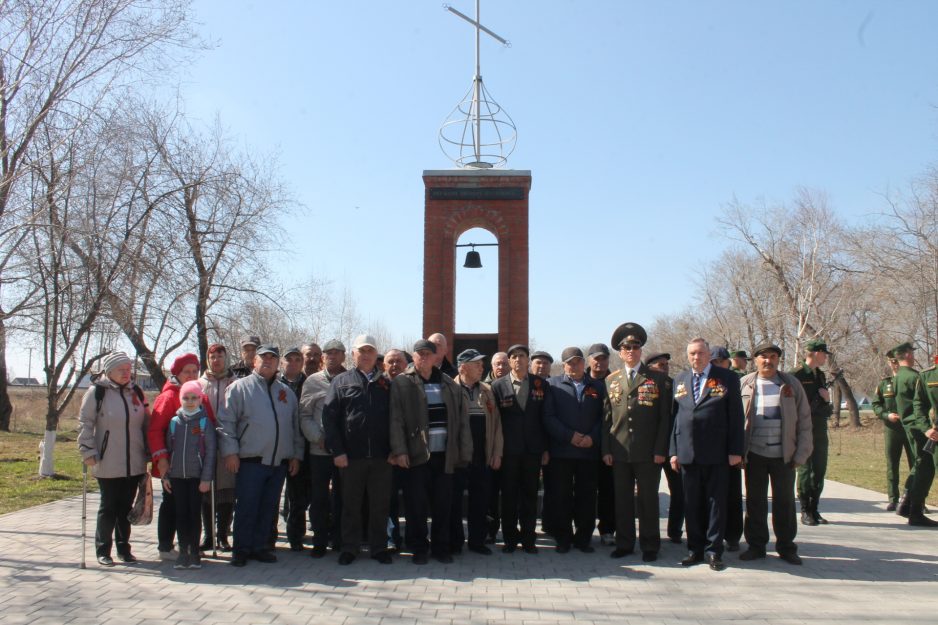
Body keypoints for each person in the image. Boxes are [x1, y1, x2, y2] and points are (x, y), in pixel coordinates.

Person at [220, 345, 303, 567]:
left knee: (269, 507)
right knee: (247, 507)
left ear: (278, 364)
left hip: (278, 462)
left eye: (272, 358)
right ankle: (241, 549)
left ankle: (260, 547)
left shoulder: (285, 393)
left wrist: (295, 455)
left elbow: (294, 427)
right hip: (250, 461)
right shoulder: (239, 388)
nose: (268, 361)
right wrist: (230, 452)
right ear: (254, 361)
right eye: (263, 357)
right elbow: (226, 423)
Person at [390, 339, 471, 564]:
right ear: (413, 357)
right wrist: (399, 450)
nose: (424, 357)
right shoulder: (402, 383)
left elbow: (461, 420)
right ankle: (418, 548)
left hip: (444, 456)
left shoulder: (449, 384)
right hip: (416, 455)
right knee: (416, 506)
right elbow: (395, 420)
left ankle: (440, 547)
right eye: (420, 354)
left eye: (428, 354)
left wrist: (462, 452)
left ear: (436, 357)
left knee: (443, 505)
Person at [670, 338, 744, 571]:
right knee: (691, 503)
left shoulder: (727, 378)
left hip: (717, 453)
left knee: (716, 504)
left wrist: (735, 451)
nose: (696, 357)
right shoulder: (680, 380)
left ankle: (714, 551)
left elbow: (736, 417)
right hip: (687, 453)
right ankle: (695, 549)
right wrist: (673, 451)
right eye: (692, 353)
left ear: (709, 354)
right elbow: (675, 418)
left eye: (700, 353)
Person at [322, 335, 395, 565]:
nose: (365, 355)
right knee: (350, 504)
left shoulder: (386, 384)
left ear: (376, 356)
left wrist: (395, 449)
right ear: (353, 354)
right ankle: (350, 547)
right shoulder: (341, 381)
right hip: (351, 457)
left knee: (380, 505)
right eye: (361, 351)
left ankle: (379, 547)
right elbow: (329, 418)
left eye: (370, 351)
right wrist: (338, 451)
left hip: (382, 457)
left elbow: (396, 419)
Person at [738, 343, 813, 565]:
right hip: (754, 455)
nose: (768, 361)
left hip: (784, 455)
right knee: (755, 502)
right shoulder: (745, 384)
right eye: (763, 357)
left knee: (785, 503)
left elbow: (805, 421)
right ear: (755, 360)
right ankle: (756, 546)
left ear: (778, 360)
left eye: (773, 357)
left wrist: (801, 454)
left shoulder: (791, 384)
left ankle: (787, 547)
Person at [601, 325, 670, 562]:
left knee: (648, 500)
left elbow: (664, 419)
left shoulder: (658, 379)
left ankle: (650, 546)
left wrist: (661, 449)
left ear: (641, 350)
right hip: (619, 451)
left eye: (635, 347)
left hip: (648, 453)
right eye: (626, 348)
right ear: (620, 353)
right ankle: (625, 543)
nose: (631, 351)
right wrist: (606, 449)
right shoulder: (611, 380)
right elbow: (607, 419)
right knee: (622, 501)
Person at [77, 352, 150, 566]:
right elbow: (85, 423)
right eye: (121, 369)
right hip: (107, 460)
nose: (126, 373)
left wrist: (149, 450)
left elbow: (146, 422)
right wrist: (87, 450)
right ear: (109, 371)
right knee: (108, 505)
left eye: (128, 369)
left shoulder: (135, 391)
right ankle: (103, 550)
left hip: (134, 461)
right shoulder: (97, 392)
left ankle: (124, 549)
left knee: (126, 508)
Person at [490, 344, 552, 554]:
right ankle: (509, 539)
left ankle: (528, 539)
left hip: (533, 451)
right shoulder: (498, 386)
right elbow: (495, 422)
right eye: (514, 357)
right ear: (509, 361)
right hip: (508, 451)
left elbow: (546, 419)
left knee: (530, 496)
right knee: (508, 496)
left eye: (522, 356)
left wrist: (545, 449)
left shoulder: (540, 384)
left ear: (528, 360)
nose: (518, 360)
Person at [148, 352, 209, 560]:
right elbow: (155, 430)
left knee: (193, 506)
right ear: (177, 373)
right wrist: (162, 459)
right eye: (186, 372)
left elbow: (210, 424)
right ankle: (165, 546)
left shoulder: (200, 396)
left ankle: (190, 544)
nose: (191, 375)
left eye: (195, 371)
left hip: (196, 465)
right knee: (172, 504)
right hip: (172, 464)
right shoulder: (169, 397)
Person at [545, 346, 604, 554]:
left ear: (584, 363)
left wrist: (592, 437)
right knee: (561, 497)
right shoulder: (552, 385)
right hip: (562, 452)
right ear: (563, 365)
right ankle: (563, 538)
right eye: (570, 362)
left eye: (578, 361)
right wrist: (570, 436)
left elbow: (603, 417)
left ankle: (583, 539)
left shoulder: (597, 386)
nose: (574, 365)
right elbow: (548, 417)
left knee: (586, 497)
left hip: (588, 452)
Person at [450, 348, 503, 555]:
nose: (482, 367)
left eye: (482, 364)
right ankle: (455, 542)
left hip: (482, 456)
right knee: (454, 502)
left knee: (480, 501)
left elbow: (497, 425)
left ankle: (477, 541)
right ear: (463, 367)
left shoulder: (487, 390)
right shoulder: (449, 389)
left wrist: (496, 453)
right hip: (457, 457)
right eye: (477, 364)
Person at [299, 339, 347, 558]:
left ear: (344, 356)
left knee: (343, 498)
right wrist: (318, 438)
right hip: (319, 451)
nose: (333, 356)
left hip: (344, 452)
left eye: (337, 353)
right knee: (318, 498)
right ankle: (319, 540)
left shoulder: (350, 379)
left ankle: (339, 538)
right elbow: (305, 415)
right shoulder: (312, 382)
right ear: (323, 357)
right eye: (329, 353)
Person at [164, 381, 217, 570]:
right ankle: (183, 551)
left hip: (196, 477)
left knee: (194, 514)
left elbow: (210, 452)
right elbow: (169, 451)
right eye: (186, 398)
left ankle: (195, 552)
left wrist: (206, 478)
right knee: (181, 514)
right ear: (180, 399)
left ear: (200, 398)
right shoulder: (174, 422)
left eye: (194, 398)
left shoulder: (204, 422)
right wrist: (166, 476)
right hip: (177, 476)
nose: (190, 402)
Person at [892, 342, 938, 526]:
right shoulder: (916, 376)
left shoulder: (899, 376)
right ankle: (913, 508)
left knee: (920, 465)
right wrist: (927, 426)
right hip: (922, 430)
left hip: (916, 427)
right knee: (924, 466)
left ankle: (906, 504)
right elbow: (919, 404)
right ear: (907, 354)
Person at [791, 339, 834, 526]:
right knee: (806, 470)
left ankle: (815, 508)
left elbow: (824, 405)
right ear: (816, 353)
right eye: (824, 353)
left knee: (819, 469)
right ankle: (805, 510)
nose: (825, 357)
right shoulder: (796, 375)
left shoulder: (821, 375)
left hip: (819, 427)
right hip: (802, 428)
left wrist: (826, 400)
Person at [199, 343, 236, 552]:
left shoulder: (235, 383)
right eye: (212, 357)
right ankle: (208, 535)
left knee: (226, 490)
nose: (216, 360)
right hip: (204, 445)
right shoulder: (200, 383)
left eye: (220, 356)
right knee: (206, 490)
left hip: (227, 444)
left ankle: (223, 534)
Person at [646, 351, 683, 544]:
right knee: (649, 492)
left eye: (666, 364)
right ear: (650, 366)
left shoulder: (674, 385)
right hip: (650, 448)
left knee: (679, 491)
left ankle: (675, 531)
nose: (665, 367)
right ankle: (650, 534)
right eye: (661, 365)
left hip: (672, 447)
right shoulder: (644, 384)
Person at [871, 350, 914, 511]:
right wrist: (887, 415)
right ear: (889, 363)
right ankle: (893, 498)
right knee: (892, 464)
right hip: (892, 429)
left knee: (916, 464)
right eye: (892, 362)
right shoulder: (884, 383)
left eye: (897, 361)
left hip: (911, 428)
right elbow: (876, 404)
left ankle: (915, 499)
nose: (895, 365)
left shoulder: (912, 379)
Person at [278, 347, 310, 551]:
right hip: (277, 445)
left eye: (298, 359)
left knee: (298, 496)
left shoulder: (310, 383)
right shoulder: (273, 383)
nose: (293, 362)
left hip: (302, 446)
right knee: (273, 497)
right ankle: (268, 535)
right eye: (289, 359)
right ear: (282, 362)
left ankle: (296, 536)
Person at [711, 346, 743, 552]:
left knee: (732, 495)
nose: (717, 365)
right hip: (710, 450)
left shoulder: (731, 379)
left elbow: (737, 417)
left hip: (728, 449)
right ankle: (714, 534)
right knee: (714, 498)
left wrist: (736, 449)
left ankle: (732, 536)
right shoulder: (706, 379)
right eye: (714, 362)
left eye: (720, 362)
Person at [588, 342, 616, 547]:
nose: (600, 362)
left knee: (608, 490)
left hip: (610, 445)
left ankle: (607, 529)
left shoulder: (616, 380)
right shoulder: (581, 379)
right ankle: (584, 529)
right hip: (586, 445)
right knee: (586, 491)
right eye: (596, 358)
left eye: (603, 358)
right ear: (589, 360)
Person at [383, 348, 410, 551]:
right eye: (390, 362)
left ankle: (412, 537)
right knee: (388, 500)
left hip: (411, 454)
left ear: (406, 365)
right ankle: (390, 537)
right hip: (386, 457)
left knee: (413, 499)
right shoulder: (377, 386)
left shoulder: (413, 385)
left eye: (398, 362)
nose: (394, 366)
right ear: (384, 365)